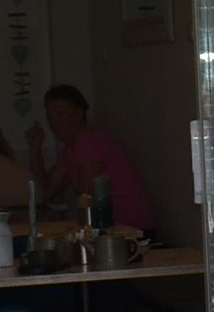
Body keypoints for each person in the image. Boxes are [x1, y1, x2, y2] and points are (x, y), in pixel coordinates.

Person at [23, 84, 154, 233]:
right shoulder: (71, 148)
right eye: (50, 117)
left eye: (60, 114)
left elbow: (87, 197)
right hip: (114, 228)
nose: (54, 122)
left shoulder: (89, 140)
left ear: (79, 113)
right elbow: (45, 191)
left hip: (131, 228)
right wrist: (35, 148)